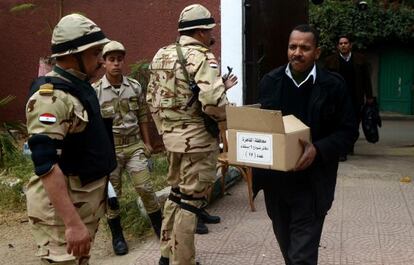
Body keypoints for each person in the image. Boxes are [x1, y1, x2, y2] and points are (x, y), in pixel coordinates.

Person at [253, 24, 358, 265]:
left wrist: (318, 150)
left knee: (301, 257)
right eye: (292, 47)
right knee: (290, 250)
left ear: (317, 52)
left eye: (304, 48)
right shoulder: (270, 81)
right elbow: (260, 127)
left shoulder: (333, 85)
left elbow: (348, 131)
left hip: (313, 185)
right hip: (276, 185)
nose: (297, 52)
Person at [146, 4, 237, 265]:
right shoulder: (202, 56)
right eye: (208, 31)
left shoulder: (161, 55)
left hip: (172, 139)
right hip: (197, 141)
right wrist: (225, 123)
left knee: (176, 195)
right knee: (191, 202)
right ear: (199, 32)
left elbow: (151, 99)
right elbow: (213, 102)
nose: (211, 36)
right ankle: (183, 260)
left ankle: (167, 254)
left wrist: (165, 130)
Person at [25, 14, 116, 265]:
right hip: (62, 215)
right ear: (72, 55)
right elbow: (46, 164)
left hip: (83, 205)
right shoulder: (50, 99)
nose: (100, 60)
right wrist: (73, 223)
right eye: (95, 53)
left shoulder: (78, 88)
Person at [92, 40, 162, 255]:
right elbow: (93, 125)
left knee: (145, 188)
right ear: (104, 62)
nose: (116, 64)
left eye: (119, 59)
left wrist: (147, 142)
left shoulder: (134, 86)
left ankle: (160, 229)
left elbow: (142, 114)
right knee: (112, 197)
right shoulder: (95, 91)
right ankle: (118, 237)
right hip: (110, 151)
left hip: (134, 147)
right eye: (111, 60)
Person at [324, 35, 374, 160]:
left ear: (350, 45)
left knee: (354, 124)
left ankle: (349, 145)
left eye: (346, 43)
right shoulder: (330, 61)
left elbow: (366, 79)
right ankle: (342, 150)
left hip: (355, 98)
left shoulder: (360, 59)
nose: (343, 45)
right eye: (341, 43)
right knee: (338, 123)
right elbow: (325, 80)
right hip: (337, 99)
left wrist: (369, 96)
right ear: (337, 46)